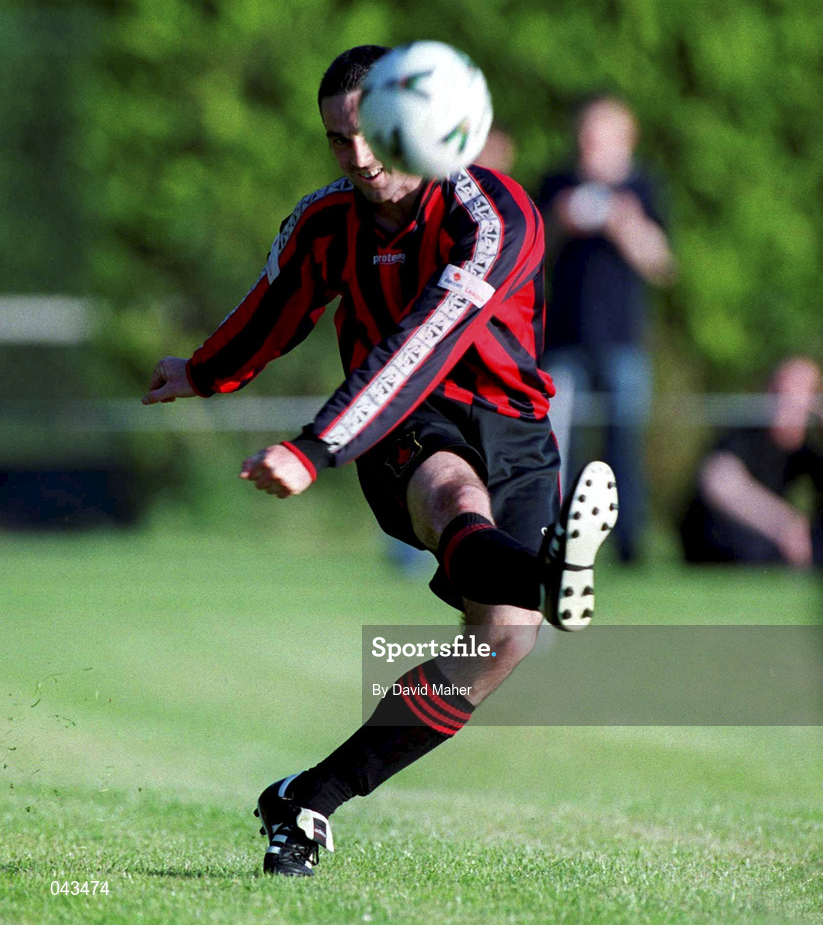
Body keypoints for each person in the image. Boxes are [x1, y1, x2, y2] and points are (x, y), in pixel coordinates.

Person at [142, 45, 617, 877]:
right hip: (402, 422)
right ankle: (548, 571)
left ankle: (307, 797)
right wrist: (208, 371)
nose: (357, 157)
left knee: (500, 641)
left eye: (371, 134)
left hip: (510, 425)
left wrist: (314, 445)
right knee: (452, 495)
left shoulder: (494, 215)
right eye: (336, 139)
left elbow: (429, 337)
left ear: (417, 126)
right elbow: (278, 303)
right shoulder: (326, 221)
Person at [537, 96, 675, 562]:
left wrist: (623, 221)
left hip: (622, 339)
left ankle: (629, 544)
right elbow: (529, 255)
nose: (589, 141)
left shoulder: (644, 187)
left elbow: (662, 264)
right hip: (563, 338)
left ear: (625, 138)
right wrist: (561, 221)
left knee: (624, 444)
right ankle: (556, 534)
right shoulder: (557, 184)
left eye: (600, 132)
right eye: (586, 131)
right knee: (556, 444)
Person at [681, 356, 823, 567]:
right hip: (720, 536)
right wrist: (784, 523)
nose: (785, 401)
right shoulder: (746, 430)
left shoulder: (807, 448)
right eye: (780, 391)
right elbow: (719, 482)